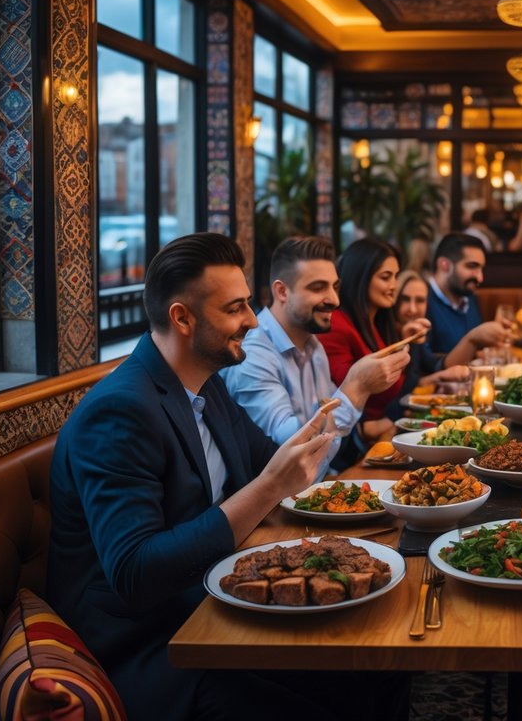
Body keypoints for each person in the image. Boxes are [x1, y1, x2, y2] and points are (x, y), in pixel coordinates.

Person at [48, 233, 347, 718]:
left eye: (249, 304)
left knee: (367, 669)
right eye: (235, 309)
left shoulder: (209, 384)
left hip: (213, 602)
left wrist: (310, 447)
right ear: (182, 318)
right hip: (148, 642)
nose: (252, 320)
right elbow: (135, 572)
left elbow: (271, 461)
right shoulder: (120, 411)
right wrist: (271, 485)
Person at [222, 235, 409, 468]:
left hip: (320, 483)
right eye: (318, 288)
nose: (334, 300)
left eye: (335, 287)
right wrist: (357, 386)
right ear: (282, 292)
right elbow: (291, 452)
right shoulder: (254, 355)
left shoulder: (313, 345)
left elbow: (331, 432)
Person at [319, 237, 411, 450]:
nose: (394, 286)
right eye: (386, 277)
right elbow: (345, 398)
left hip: (383, 436)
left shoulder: (376, 323)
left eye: (396, 277)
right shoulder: (338, 325)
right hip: (355, 447)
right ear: (360, 277)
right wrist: (387, 422)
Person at [425, 232, 512, 355]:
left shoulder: (468, 297)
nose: (480, 278)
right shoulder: (420, 301)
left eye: (481, 268)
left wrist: (491, 338)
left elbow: (474, 351)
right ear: (444, 265)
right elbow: (425, 363)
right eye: (472, 266)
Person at [391, 269, 472, 398]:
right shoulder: (387, 333)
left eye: (419, 300)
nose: (412, 309)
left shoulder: (415, 330)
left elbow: (429, 362)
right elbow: (400, 389)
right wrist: (437, 378)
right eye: (405, 299)